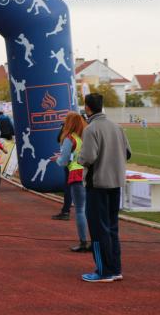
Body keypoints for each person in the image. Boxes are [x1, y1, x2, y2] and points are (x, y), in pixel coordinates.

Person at [78, 93, 131, 283]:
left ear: (87, 108)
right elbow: (127, 152)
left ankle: (104, 271)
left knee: (98, 229)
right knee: (112, 227)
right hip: (115, 183)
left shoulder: (91, 129)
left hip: (98, 184)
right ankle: (115, 268)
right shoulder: (117, 127)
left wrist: (78, 158)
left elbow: (88, 157)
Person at [50, 112, 89, 252]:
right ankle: (95, 239)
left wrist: (58, 159)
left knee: (80, 210)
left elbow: (64, 161)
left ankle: (83, 241)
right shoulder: (84, 137)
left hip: (76, 174)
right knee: (89, 209)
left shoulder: (69, 139)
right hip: (89, 174)